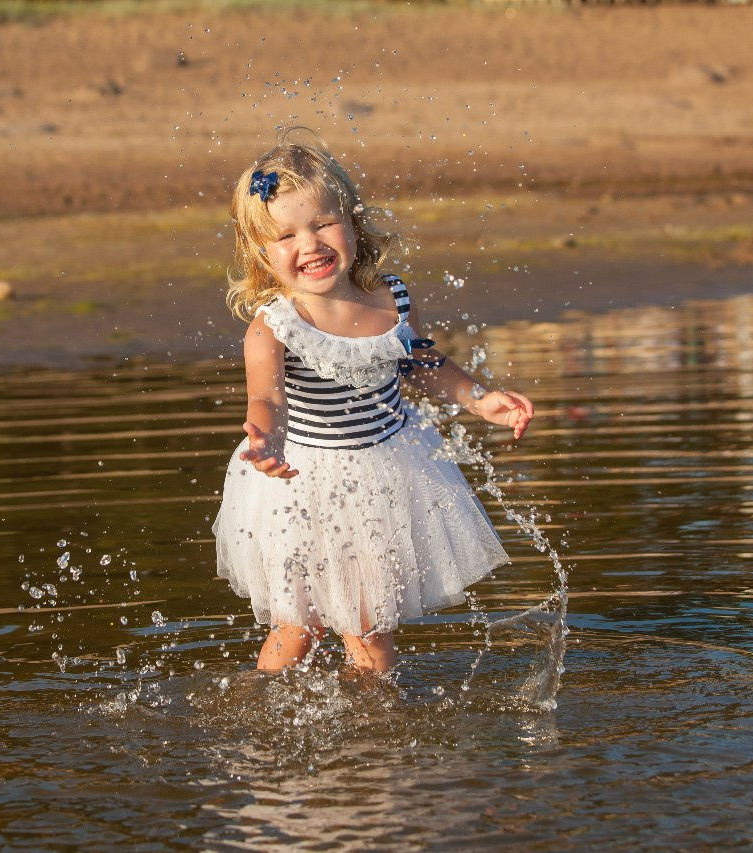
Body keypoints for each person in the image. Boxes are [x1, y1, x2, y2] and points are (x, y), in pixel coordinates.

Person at [212, 129, 534, 674]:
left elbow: (422, 363)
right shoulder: (275, 325)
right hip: (303, 484)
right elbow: (265, 397)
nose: (309, 244)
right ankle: (257, 705)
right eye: (286, 235)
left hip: (383, 478)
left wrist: (480, 398)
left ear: (353, 222)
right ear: (261, 253)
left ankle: (377, 738)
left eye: (323, 223)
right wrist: (262, 435)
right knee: (297, 627)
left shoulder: (391, 297)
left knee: (369, 627)